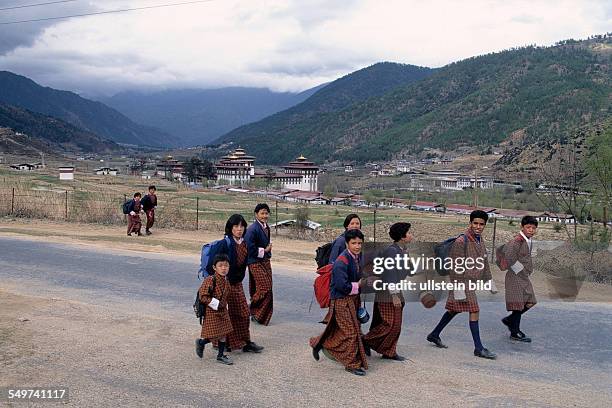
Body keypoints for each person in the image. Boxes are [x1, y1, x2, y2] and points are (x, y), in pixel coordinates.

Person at [426, 210, 497, 360]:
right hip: (462, 282)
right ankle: (478, 348)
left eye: (481, 224)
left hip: (471, 282)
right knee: (475, 310)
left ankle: (434, 334)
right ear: (470, 223)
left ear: (485, 225)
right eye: (475, 223)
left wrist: (489, 280)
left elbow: (483, 261)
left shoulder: (479, 239)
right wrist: (458, 288)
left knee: (454, 310)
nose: (478, 226)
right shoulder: (461, 241)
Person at [310, 229, 370, 376]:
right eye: (353, 243)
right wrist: (359, 285)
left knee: (346, 331)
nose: (357, 246)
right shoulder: (341, 262)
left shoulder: (357, 257)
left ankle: (321, 344)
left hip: (353, 299)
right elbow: (341, 286)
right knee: (351, 333)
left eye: (359, 243)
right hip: (341, 301)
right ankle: (351, 364)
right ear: (347, 243)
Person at [207, 214, 264, 353]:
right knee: (226, 315)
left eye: (242, 226)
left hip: (237, 284)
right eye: (236, 226)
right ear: (230, 228)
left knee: (243, 313)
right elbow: (211, 265)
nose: (239, 229)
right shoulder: (224, 243)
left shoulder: (244, 243)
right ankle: (223, 343)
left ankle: (245, 342)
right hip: (224, 285)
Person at [363, 222, 413, 361]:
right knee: (391, 324)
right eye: (408, 232)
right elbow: (390, 274)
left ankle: (389, 351)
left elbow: (411, 272)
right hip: (387, 292)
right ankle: (365, 340)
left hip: (395, 289)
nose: (411, 235)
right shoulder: (392, 251)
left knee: (395, 323)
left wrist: (407, 258)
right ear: (402, 236)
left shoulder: (401, 251)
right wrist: (394, 296)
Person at [501, 216, 538, 342]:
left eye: (533, 228)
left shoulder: (528, 240)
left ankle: (510, 320)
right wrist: (521, 270)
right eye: (528, 227)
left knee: (531, 301)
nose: (531, 230)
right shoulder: (517, 241)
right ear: (522, 227)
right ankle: (515, 332)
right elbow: (509, 257)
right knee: (518, 304)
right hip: (515, 277)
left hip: (523, 277)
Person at [195, 254, 234, 365]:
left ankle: (220, 355)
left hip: (223, 310)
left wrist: (225, 306)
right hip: (212, 311)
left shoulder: (226, 281)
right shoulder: (210, 280)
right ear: (214, 268)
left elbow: (227, 295)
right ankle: (201, 342)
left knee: (223, 332)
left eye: (226, 265)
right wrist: (217, 304)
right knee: (215, 333)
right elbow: (203, 296)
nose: (223, 268)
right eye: (220, 265)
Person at [245, 203, 273, 325]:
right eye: (262, 213)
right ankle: (247, 308)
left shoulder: (266, 227)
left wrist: (268, 251)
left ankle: (259, 315)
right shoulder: (252, 229)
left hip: (265, 261)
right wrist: (265, 250)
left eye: (266, 213)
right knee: (264, 287)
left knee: (267, 288)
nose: (264, 215)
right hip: (254, 262)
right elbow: (249, 248)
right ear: (256, 214)